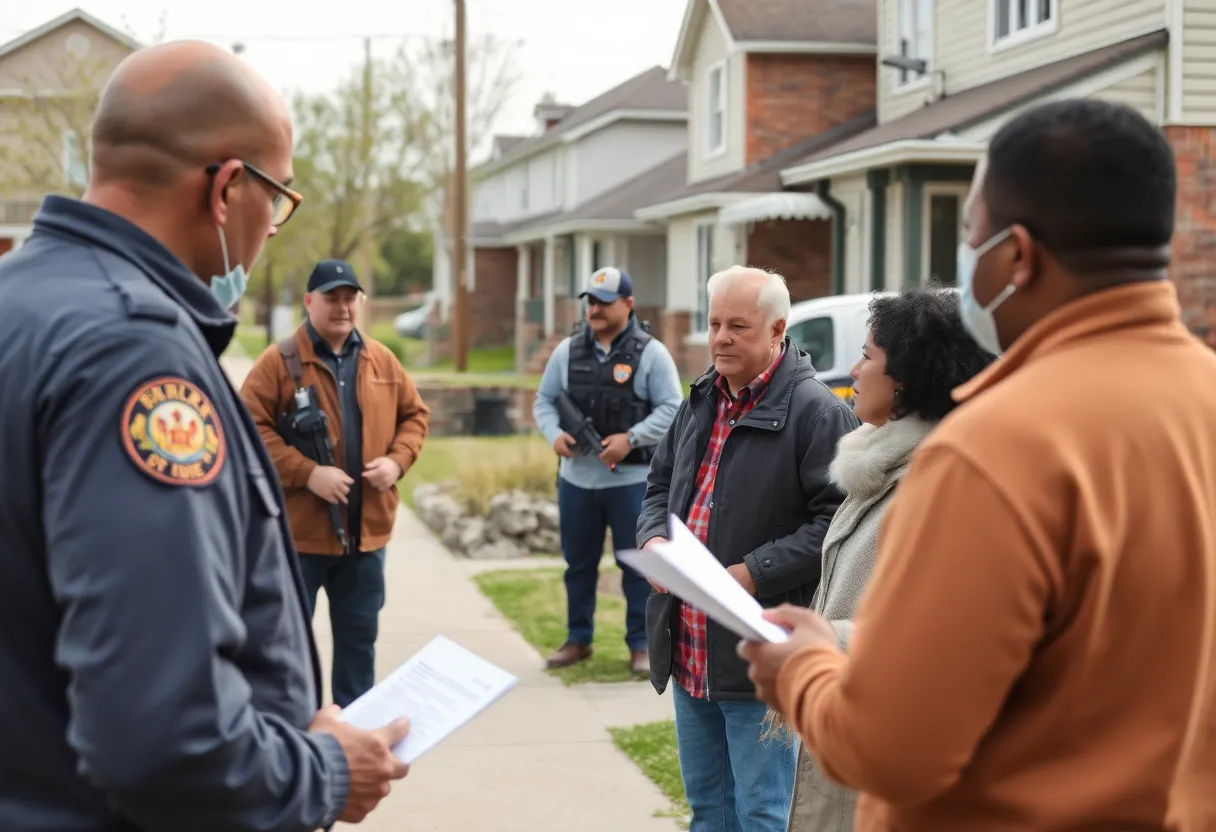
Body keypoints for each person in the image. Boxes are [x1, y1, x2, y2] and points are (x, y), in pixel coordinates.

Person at [740, 99, 1216, 831]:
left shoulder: (998, 446)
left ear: (1016, 256)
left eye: (969, 233)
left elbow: (892, 747)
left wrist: (802, 669)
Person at [0, 41, 410, 830]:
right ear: (227, 188)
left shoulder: (21, 302)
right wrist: (322, 772)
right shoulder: (134, 355)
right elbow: (166, 737)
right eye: (279, 201)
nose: (271, 230)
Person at [637, 266, 859, 832]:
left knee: (761, 814)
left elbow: (837, 520)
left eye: (738, 326)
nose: (720, 339)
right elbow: (659, 486)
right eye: (714, 324)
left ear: (777, 329)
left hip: (757, 653)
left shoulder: (816, 412)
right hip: (688, 647)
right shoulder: (702, 397)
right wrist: (654, 538)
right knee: (708, 811)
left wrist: (754, 573)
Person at [774, 287, 995, 832]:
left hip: (883, 753)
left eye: (868, 356)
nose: (852, 369)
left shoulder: (934, 483)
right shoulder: (878, 464)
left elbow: (944, 638)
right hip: (851, 728)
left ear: (908, 380)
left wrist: (824, 640)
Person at [241, 259, 430, 707]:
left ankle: (354, 745)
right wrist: (308, 473)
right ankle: (298, 743)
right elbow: (247, 428)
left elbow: (415, 417)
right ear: (309, 302)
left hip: (366, 541)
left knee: (358, 648)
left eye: (350, 297)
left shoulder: (382, 359)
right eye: (332, 297)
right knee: (287, 652)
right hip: (299, 540)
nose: (342, 307)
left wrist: (396, 463)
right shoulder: (278, 361)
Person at [532, 266, 682, 674]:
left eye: (604, 301)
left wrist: (629, 438)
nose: (594, 308)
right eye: (591, 301)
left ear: (628, 304)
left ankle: (640, 645)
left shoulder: (651, 353)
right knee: (577, 564)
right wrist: (554, 437)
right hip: (577, 480)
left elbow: (673, 409)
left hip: (632, 481)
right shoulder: (566, 351)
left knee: (637, 565)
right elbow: (544, 401)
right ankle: (577, 639)